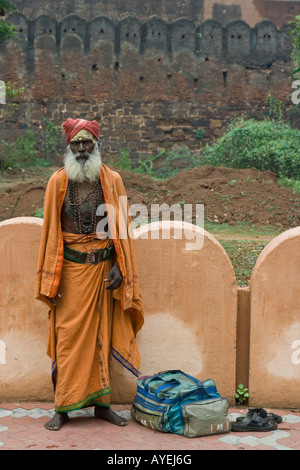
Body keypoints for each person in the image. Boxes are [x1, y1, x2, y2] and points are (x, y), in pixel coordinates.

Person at [35, 118, 144, 431]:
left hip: (101, 274)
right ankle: (63, 408)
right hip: (68, 276)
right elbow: (50, 234)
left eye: (87, 143)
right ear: (69, 146)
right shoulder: (57, 183)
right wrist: (50, 281)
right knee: (67, 340)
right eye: (76, 143)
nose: (82, 149)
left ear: (96, 144)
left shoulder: (112, 181)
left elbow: (121, 231)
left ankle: (102, 406)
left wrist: (119, 267)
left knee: (101, 338)